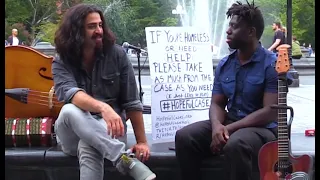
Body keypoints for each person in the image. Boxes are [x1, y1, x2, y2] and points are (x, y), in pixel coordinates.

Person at [175, 1, 279, 180]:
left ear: (251, 32)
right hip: (231, 124)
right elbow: (217, 103)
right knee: (184, 137)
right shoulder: (225, 64)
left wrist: (228, 129)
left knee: (236, 143)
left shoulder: (271, 64)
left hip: (263, 130)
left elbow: (270, 112)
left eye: (234, 27)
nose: (228, 30)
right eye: (229, 25)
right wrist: (217, 127)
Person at [52, 4, 156, 180]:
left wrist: (142, 142)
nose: (99, 30)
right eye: (91, 26)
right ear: (76, 31)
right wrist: (103, 108)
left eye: (100, 25)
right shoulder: (62, 61)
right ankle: (122, 159)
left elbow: (132, 102)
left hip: (109, 131)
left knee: (89, 144)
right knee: (69, 110)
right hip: (71, 135)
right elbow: (71, 94)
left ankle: (126, 160)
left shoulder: (117, 55)